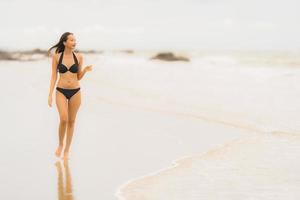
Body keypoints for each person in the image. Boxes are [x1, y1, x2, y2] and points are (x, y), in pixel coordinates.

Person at [47, 32, 93, 159]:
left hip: (75, 91)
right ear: (64, 42)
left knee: (72, 121)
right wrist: (50, 94)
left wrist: (85, 71)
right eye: (72, 40)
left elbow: (78, 77)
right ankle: (61, 144)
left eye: (75, 40)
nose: (74, 42)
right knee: (63, 119)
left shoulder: (79, 57)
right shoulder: (57, 57)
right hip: (61, 90)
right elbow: (53, 76)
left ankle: (67, 150)